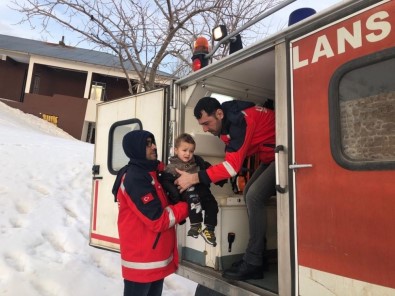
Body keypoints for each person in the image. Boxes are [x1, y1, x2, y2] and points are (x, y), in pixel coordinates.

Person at [174, 97, 276, 281]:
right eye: (201, 125)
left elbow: (231, 167)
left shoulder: (240, 121)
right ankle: (259, 254)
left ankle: (253, 262)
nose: (205, 129)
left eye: (207, 123)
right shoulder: (226, 124)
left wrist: (194, 178)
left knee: (253, 197)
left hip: (285, 153)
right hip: (270, 157)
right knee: (249, 194)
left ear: (219, 114)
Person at [112, 130, 189, 296]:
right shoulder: (134, 177)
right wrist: (186, 206)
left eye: (152, 142)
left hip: (153, 259)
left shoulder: (151, 172)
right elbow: (158, 220)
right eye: (147, 144)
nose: (154, 146)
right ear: (136, 149)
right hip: (141, 263)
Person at [160, 133, 219, 246]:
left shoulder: (198, 162)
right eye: (185, 150)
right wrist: (175, 197)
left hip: (202, 191)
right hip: (186, 193)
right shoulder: (172, 167)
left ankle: (209, 229)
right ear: (176, 150)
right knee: (193, 197)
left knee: (212, 204)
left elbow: (208, 170)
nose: (188, 154)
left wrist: (220, 179)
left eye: (191, 151)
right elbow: (167, 182)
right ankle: (196, 225)